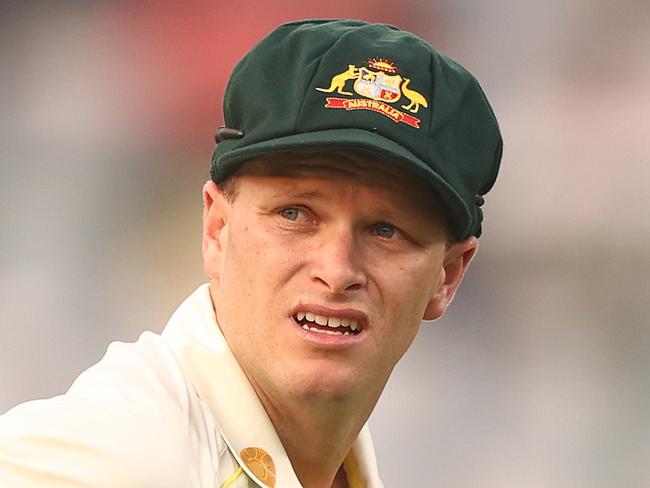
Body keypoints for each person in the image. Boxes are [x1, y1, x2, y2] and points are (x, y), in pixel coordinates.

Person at [0, 19, 502, 488]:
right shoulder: (117, 455)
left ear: (447, 275)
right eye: (294, 214)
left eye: (386, 230)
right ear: (217, 229)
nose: (337, 270)